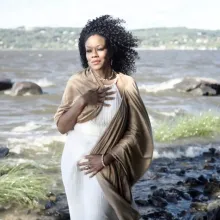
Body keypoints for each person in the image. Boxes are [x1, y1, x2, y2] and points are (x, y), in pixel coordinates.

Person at [54, 15, 154, 220]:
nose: (94, 55)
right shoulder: (76, 82)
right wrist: (82, 100)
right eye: (88, 50)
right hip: (74, 161)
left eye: (99, 48)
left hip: (105, 163)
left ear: (112, 50)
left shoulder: (125, 84)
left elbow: (135, 132)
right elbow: (62, 127)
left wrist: (106, 158)